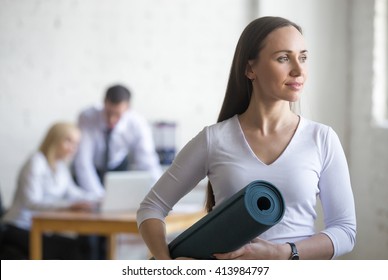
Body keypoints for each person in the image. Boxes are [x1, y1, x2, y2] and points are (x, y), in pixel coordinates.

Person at [136, 16, 356, 260]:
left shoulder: (322, 139)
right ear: (250, 68)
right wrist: (168, 267)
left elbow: (345, 231)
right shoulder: (214, 139)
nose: (298, 69)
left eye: (303, 57)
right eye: (283, 58)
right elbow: (151, 208)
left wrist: (282, 253)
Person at [1, 122, 98, 259]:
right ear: (55, 139)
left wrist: (99, 198)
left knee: (83, 245)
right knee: (71, 250)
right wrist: (69, 205)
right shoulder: (36, 162)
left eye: (76, 144)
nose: (73, 148)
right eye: (68, 141)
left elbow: (75, 193)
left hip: (39, 229)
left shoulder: (61, 167)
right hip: (19, 226)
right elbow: (32, 202)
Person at [73, 84, 162, 198]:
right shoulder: (87, 117)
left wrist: (160, 195)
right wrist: (99, 197)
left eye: (117, 114)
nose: (111, 119)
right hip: (92, 168)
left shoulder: (137, 123)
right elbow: (83, 161)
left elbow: (148, 161)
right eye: (109, 113)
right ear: (104, 103)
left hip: (118, 168)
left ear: (128, 108)